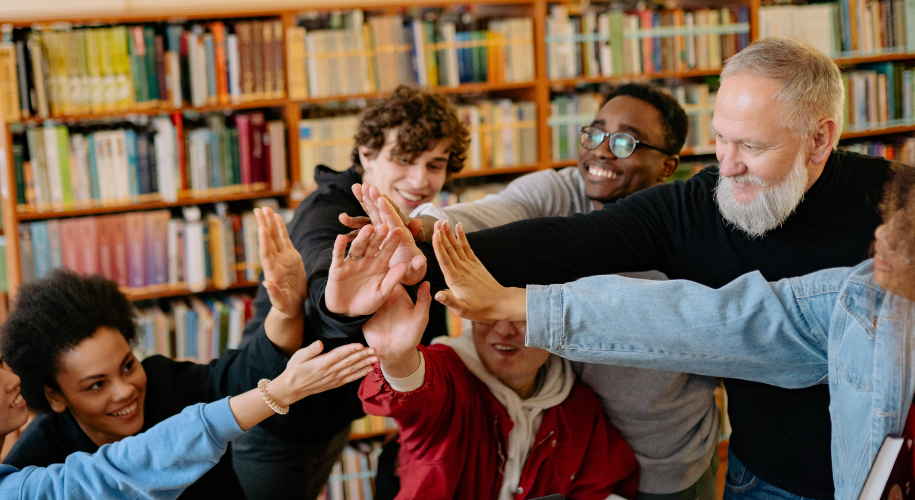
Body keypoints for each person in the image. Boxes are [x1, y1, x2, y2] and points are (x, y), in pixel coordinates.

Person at [346, 37, 894, 499]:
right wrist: (416, 251)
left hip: (890, 473)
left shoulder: (901, 212)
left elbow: (732, 323)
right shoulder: (701, 203)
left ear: (820, 138)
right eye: (721, 139)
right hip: (762, 477)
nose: (727, 165)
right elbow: (566, 243)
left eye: (751, 145)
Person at [426, 161, 915, 500]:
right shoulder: (857, 297)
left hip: (677, 458)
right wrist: (433, 244)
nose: (878, 237)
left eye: (903, 230)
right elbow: (718, 322)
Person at [380, 83, 720, 499]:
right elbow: (489, 213)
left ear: (667, 166)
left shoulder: (686, 229)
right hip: (582, 450)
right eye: (595, 133)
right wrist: (420, 227)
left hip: (664, 462)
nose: (601, 151)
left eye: (625, 141)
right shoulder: (563, 191)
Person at [231, 84, 470, 499]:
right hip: (270, 420)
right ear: (365, 154)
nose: (420, 179)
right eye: (404, 159)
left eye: (435, 164)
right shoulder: (327, 211)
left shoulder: (412, 223)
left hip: (331, 414)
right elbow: (324, 262)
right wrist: (338, 301)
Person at [0, 207, 317, 500]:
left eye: (127, 366)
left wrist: (286, 310)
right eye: (96, 385)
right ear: (54, 396)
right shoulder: (38, 458)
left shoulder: (166, 383)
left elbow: (244, 373)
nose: (125, 390)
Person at [0, 323, 376, 500]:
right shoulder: (30, 465)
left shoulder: (166, 381)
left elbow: (231, 373)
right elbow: (113, 473)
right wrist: (275, 395)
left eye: (1, 361)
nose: (12, 378)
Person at [353, 263, 640, 499]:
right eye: (486, 312)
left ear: (555, 322)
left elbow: (602, 484)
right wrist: (397, 358)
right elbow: (412, 392)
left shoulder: (579, 407)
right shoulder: (448, 373)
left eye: (521, 314)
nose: (503, 329)